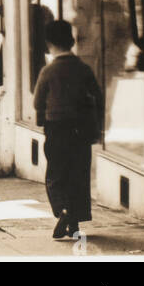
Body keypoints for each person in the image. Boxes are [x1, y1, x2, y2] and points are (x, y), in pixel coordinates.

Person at [32, 21, 103, 240]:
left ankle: (62, 209)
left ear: (49, 44)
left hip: (56, 129)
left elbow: (37, 102)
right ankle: (73, 222)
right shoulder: (83, 69)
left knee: (56, 173)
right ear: (72, 42)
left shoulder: (48, 71)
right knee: (78, 173)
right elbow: (97, 97)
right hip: (80, 129)